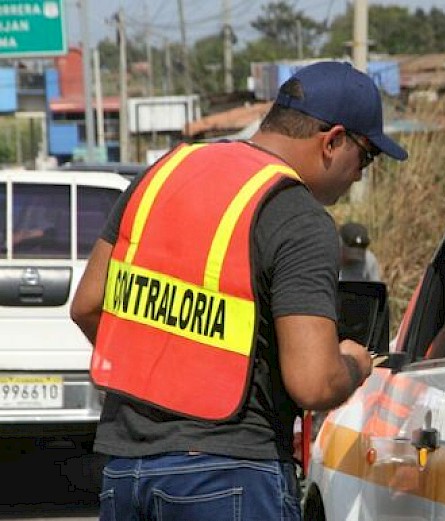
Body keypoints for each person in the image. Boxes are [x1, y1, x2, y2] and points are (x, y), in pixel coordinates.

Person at [69, 61, 408, 520]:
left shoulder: (163, 175)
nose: (360, 175)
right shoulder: (297, 216)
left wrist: (167, 371)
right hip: (229, 476)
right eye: (365, 157)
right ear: (332, 141)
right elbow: (313, 381)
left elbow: (89, 305)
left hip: (127, 472)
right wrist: (354, 364)